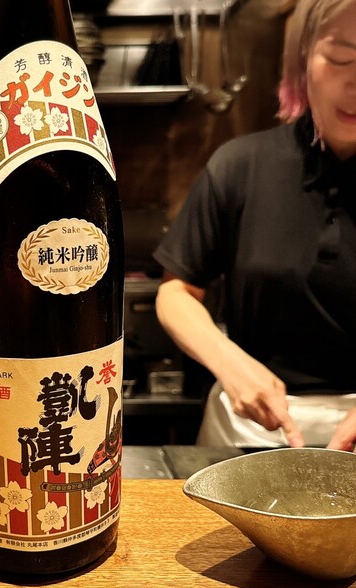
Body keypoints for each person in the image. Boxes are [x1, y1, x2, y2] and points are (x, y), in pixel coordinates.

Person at [153, 0, 356, 452]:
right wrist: (230, 363)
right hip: (251, 426)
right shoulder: (240, 165)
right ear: (302, 58)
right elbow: (176, 291)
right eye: (341, 57)